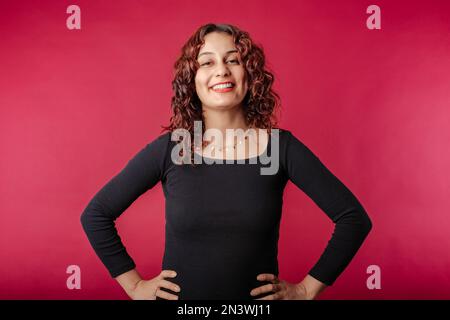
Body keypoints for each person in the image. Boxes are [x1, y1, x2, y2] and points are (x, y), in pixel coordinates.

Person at [80, 23, 372, 300]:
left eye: (233, 60)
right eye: (207, 62)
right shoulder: (172, 149)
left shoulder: (278, 147)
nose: (221, 70)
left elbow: (353, 219)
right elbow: (96, 215)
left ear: (250, 74)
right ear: (191, 79)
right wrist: (134, 286)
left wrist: (307, 290)